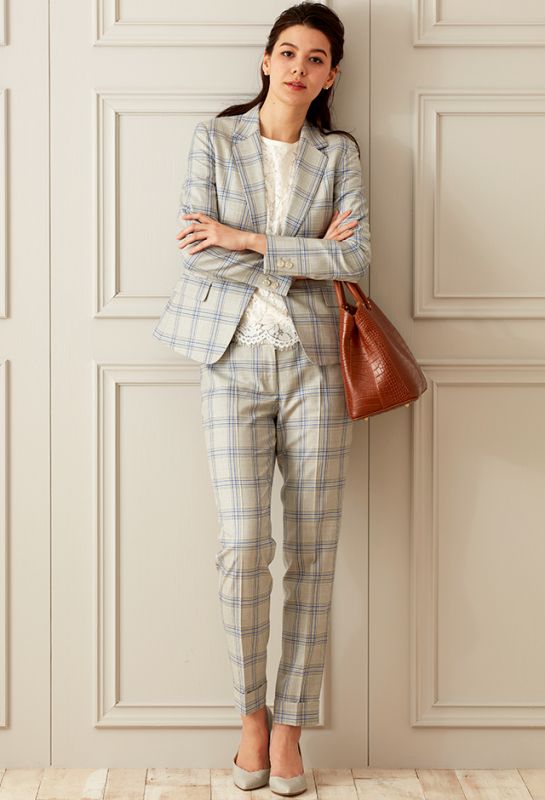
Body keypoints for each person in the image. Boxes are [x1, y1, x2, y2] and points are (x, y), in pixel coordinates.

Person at [152, 2, 371, 795]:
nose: (297, 68)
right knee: (245, 547)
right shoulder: (215, 140)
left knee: (312, 554)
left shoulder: (338, 154)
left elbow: (357, 258)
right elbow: (196, 256)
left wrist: (243, 238)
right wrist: (307, 252)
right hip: (231, 362)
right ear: (265, 59)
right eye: (287, 52)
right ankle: (249, 716)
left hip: (317, 368)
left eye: (315, 58)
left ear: (330, 75)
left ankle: (288, 732)